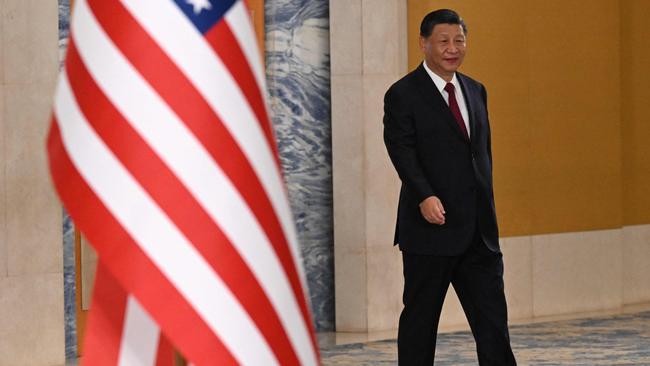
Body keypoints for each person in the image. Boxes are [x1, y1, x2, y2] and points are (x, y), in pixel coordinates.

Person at [382, 9, 517, 366]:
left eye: (459, 40)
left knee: (493, 324)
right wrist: (424, 194)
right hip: (431, 229)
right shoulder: (403, 94)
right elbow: (402, 151)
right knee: (420, 322)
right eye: (443, 41)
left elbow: (479, 155)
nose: (452, 48)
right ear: (424, 43)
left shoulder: (475, 90)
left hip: (479, 234)